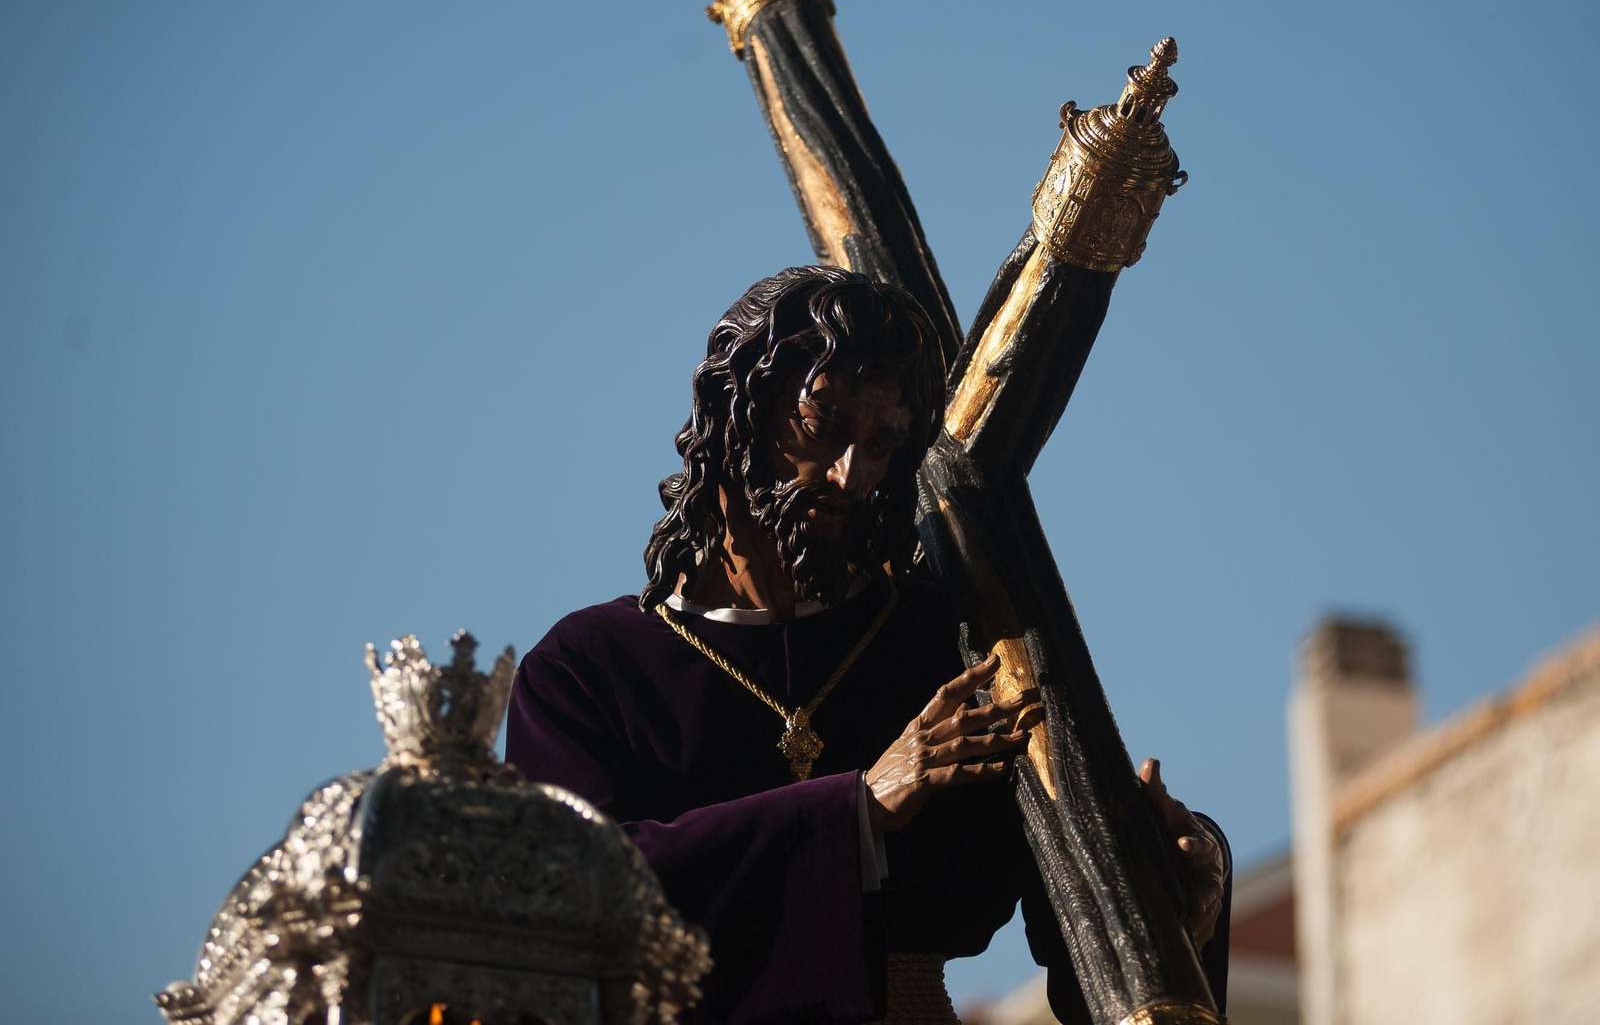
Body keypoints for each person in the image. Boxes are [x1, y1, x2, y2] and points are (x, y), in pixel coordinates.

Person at [506, 266, 1229, 1024]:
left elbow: (1075, 889)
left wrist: (1171, 878)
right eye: (826, 424)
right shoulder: (590, 668)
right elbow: (563, 889)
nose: (852, 476)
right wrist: (851, 811)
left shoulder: (948, 642)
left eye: (883, 444)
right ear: (736, 410)